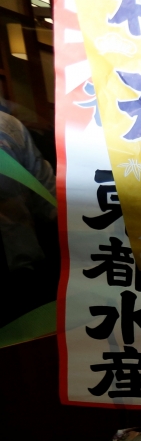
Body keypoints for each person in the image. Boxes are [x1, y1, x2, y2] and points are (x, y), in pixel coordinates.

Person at [0, 111, 56, 326]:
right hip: (24, 267)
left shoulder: (8, 125)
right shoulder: (8, 125)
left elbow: (47, 200)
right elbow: (48, 203)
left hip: (24, 271)